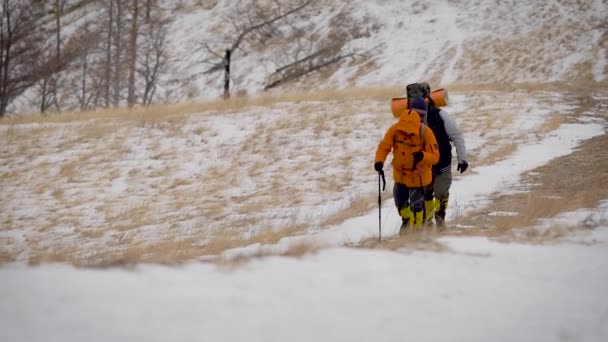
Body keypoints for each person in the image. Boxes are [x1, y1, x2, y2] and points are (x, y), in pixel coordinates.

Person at [374, 97, 439, 235]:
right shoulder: (395, 129)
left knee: (417, 207)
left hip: (419, 177)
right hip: (401, 176)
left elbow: (435, 157)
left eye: (422, 114)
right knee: (400, 203)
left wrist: (422, 156)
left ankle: (417, 233)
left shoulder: (426, 132)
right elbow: (384, 146)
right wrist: (379, 161)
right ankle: (406, 221)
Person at [423, 93, 468, 228]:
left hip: (440, 163)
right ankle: (429, 221)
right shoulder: (439, 115)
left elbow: (456, 136)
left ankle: (439, 218)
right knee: (428, 194)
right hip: (426, 164)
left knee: (439, 193)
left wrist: (463, 159)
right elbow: (457, 136)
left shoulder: (440, 115)